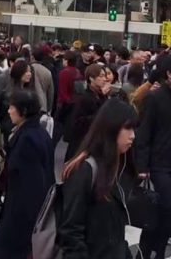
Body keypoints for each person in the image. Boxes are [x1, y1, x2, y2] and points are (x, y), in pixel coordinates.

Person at [58, 99, 137, 259]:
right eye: (127, 128)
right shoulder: (85, 170)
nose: (133, 135)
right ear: (111, 128)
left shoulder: (115, 166)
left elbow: (115, 232)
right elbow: (71, 232)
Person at [135, 55, 171, 257]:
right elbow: (144, 131)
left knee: (158, 213)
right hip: (157, 163)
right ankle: (153, 250)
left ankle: (149, 252)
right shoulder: (155, 97)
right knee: (170, 209)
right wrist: (142, 166)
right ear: (169, 74)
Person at [0, 90, 54, 259]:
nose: (9, 111)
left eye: (12, 107)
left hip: (20, 217)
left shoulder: (27, 140)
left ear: (23, 111)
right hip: (27, 213)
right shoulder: (39, 133)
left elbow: (31, 185)